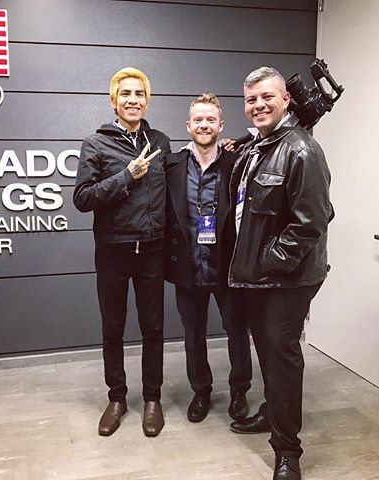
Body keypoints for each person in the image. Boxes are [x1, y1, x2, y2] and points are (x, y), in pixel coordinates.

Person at [222, 67, 333, 480]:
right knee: (269, 353)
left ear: (286, 99)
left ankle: (288, 451)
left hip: (285, 278)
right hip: (257, 274)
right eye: (251, 100)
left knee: (281, 358)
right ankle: (272, 413)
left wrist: (269, 261)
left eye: (267, 97)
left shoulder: (302, 150)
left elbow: (312, 221)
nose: (258, 106)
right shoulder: (259, 146)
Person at [73, 67, 171, 437]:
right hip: (113, 252)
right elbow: (82, 198)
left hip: (151, 251)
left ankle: (152, 399)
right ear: (114, 101)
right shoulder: (96, 144)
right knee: (113, 328)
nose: (133, 100)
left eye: (139, 94)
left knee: (154, 329)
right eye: (126, 94)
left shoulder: (160, 140)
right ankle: (116, 398)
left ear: (147, 100)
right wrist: (127, 175)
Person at [164, 93, 252, 423]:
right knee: (193, 334)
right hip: (188, 267)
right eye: (198, 119)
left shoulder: (237, 163)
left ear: (221, 125)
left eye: (210, 119)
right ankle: (201, 391)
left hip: (227, 266)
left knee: (238, 332)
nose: (204, 125)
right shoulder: (170, 163)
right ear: (188, 126)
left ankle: (240, 390)